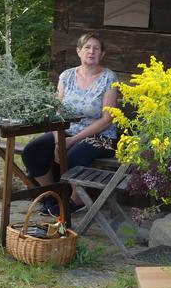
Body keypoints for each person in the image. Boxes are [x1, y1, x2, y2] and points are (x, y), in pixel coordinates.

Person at [21, 32, 119, 215]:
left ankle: (76, 200)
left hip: (101, 136)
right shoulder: (66, 76)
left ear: (102, 54)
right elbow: (58, 110)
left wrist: (72, 140)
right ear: (78, 51)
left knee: (73, 156)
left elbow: (107, 119)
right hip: (65, 130)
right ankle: (52, 194)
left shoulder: (109, 78)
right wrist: (59, 139)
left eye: (96, 48)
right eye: (87, 47)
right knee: (32, 151)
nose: (91, 51)